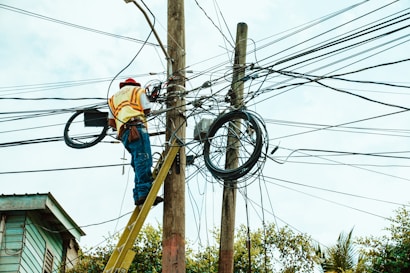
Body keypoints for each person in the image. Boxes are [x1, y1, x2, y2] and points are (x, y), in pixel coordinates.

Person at [108, 78, 163, 206]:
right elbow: (146, 109)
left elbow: (111, 122)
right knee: (143, 160)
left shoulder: (113, 98)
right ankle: (144, 193)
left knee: (137, 162)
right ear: (134, 84)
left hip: (124, 134)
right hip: (137, 128)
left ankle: (138, 195)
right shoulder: (137, 91)